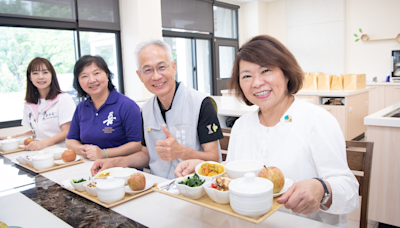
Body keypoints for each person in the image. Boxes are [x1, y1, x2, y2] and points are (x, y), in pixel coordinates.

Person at [174, 35, 359, 227]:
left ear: (286, 73)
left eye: (266, 70)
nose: (257, 83)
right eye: (247, 76)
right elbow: (233, 179)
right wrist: (203, 170)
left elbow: (349, 191)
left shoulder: (317, 120)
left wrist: (323, 189)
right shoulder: (241, 126)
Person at [90, 39, 223, 179]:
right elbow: (146, 155)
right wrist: (114, 162)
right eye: (147, 70)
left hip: (193, 186)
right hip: (157, 186)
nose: (156, 76)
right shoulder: (146, 110)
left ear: (173, 68)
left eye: (161, 67)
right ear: (140, 76)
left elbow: (214, 159)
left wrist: (181, 152)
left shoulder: (201, 104)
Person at [65, 55, 142, 161]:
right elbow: (70, 141)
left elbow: (136, 145)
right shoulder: (81, 107)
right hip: (90, 166)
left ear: (107, 74)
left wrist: (103, 153)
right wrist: (82, 149)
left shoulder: (127, 106)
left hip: (123, 170)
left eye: (96, 73)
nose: (92, 80)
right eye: (84, 76)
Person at [0, 57, 76, 150]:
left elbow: (67, 131)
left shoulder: (63, 99)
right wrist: (10, 138)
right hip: (41, 152)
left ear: (52, 75)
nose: (40, 77)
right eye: (35, 73)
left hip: (62, 151)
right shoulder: (29, 104)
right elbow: (35, 132)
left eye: (45, 72)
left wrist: (42, 143)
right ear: (30, 77)